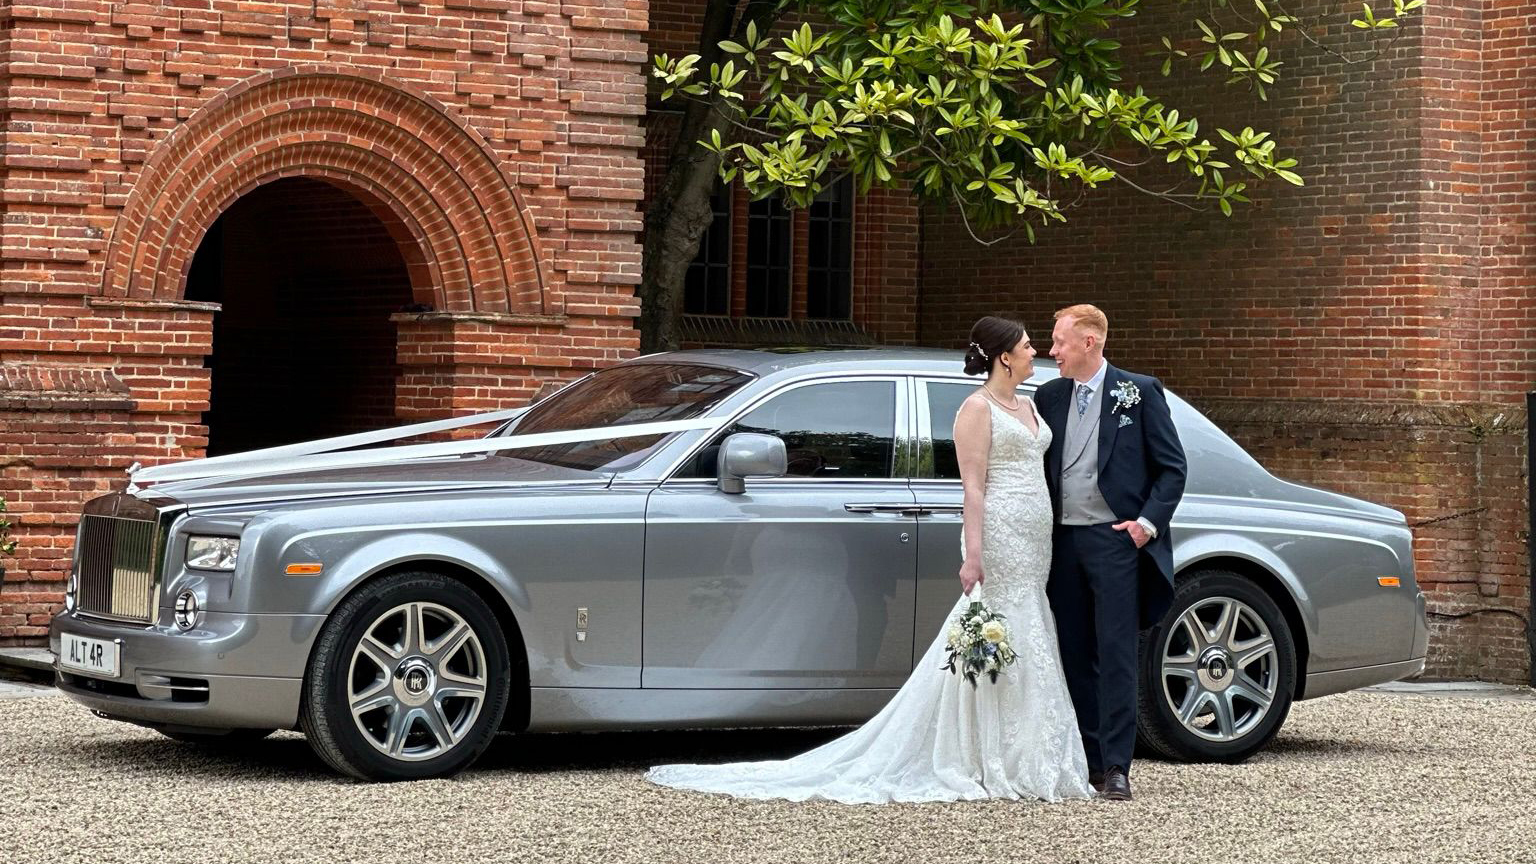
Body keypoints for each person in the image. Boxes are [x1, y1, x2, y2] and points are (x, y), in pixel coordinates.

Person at [643, 315, 1092, 804]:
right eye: (1028, 346)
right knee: (996, 626)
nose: (1036, 352)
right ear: (1005, 356)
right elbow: (973, 486)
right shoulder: (975, 410)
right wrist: (974, 551)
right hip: (1000, 532)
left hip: (1036, 537)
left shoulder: (1029, 404)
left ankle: (1030, 750)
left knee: (1030, 627)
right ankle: (980, 752)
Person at [1035, 304, 1187, 802]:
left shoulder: (1138, 392)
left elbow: (1171, 468)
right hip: (1063, 543)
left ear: (1089, 343)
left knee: (1117, 653)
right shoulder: (1050, 396)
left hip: (1116, 541)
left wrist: (1145, 526)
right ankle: (1090, 760)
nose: (1051, 350)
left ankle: (1119, 767)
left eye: (1059, 341)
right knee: (1075, 652)